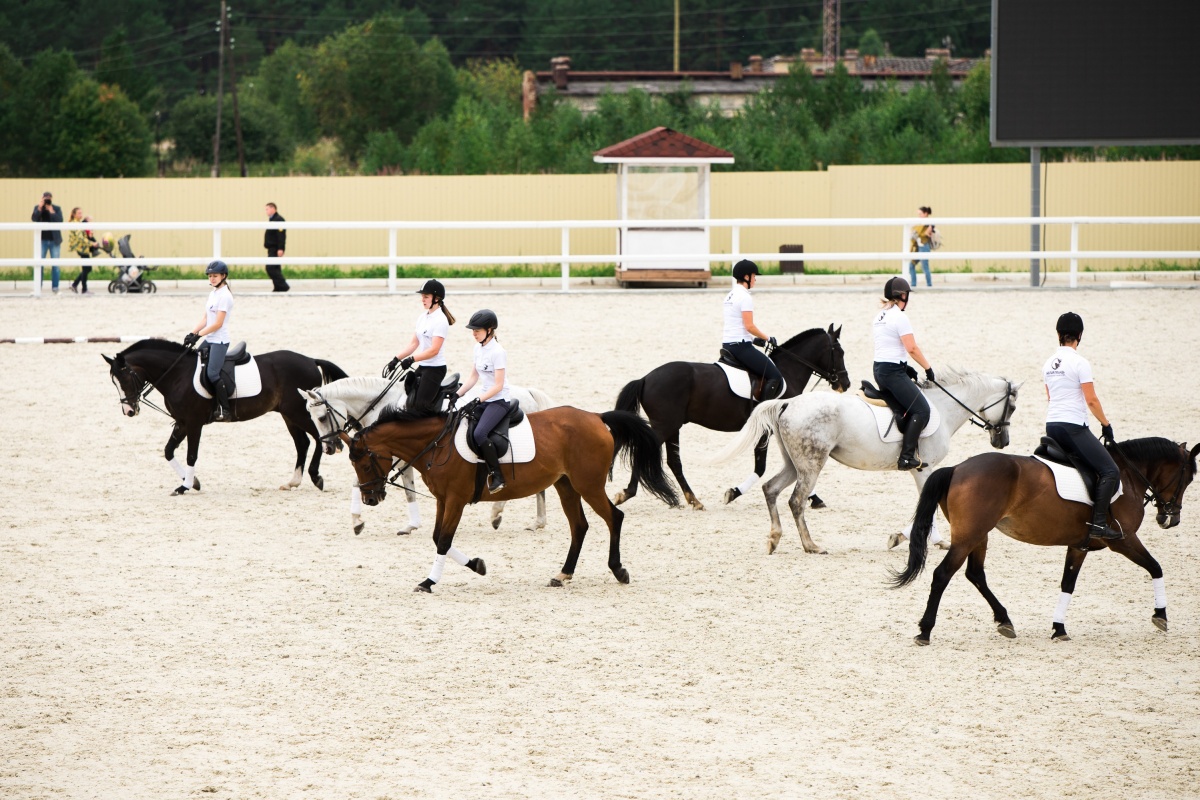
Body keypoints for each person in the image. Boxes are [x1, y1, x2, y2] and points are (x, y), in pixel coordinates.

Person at [1043, 312, 1122, 540]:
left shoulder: (1048, 364)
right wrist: (1105, 424)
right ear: (1079, 335)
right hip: (1073, 427)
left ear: (1058, 334)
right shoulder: (1080, 362)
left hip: (1052, 426)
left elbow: (1050, 397)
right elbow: (1091, 400)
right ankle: (1098, 524)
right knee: (1110, 471)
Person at [872, 276, 936, 471]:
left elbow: (888, 346)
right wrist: (928, 368)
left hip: (880, 369)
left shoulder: (880, 316)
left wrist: (905, 367)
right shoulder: (900, 316)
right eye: (907, 294)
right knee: (922, 410)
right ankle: (906, 457)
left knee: (905, 408)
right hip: (892, 373)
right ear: (902, 295)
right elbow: (912, 348)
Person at [456, 309, 510, 494]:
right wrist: (458, 394)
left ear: (489, 330)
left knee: (480, 434)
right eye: (472, 330)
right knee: (460, 420)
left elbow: (498, 385)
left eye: (477, 330)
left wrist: (478, 399)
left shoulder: (498, 352)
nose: (473, 333)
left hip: (499, 401)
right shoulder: (477, 348)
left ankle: (497, 475)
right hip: (485, 398)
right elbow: (473, 377)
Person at [385, 279, 455, 412]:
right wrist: (396, 359)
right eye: (422, 296)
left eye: (426, 297)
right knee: (404, 398)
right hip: (423, 367)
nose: (422, 299)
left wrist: (412, 359)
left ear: (436, 298)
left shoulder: (440, 320)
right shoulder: (423, 317)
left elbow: (434, 350)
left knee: (419, 408)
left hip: (435, 370)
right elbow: (413, 343)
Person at [721, 259, 783, 401]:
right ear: (747, 277)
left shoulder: (729, 295)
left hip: (728, 344)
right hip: (741, 348)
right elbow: (749, 326)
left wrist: (754, 339)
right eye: (754, 276)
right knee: (775, 376)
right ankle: (762, 413)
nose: (755, 279)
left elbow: (736, 325)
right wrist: (768, 338)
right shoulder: (745, 297)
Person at [183, 261, 235, 422]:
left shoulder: (225, 296)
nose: (212, 279)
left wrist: (199, 336)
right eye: (210, 276)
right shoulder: (213, 293)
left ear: (223, 276)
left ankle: (225, 409)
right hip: (210, 338)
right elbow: (206, 318)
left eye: (215, 276)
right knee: (194, 362)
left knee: (212, 373)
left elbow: (218, 323)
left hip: (219, 341)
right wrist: (192, 333)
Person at [32, 191, 63, 293]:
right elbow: (34, 218)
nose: (47, 200)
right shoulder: (38, 208)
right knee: (39, 264)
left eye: (49, 198)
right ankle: (38, 286)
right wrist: (40, 207)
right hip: (42, 240)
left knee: (55, 265)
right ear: (42, 198)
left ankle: (55, 287)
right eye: (45, 198)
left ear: (52, 198)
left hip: (54, 240)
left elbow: (60, 221)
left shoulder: (56, 208)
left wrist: (51, 210)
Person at [67, 208, 98, 294]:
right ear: (74, 214)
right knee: (87, 268)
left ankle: (77, 285)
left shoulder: (78, 223)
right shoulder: (75, 224)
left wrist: (85, 220)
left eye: (81, 213)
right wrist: (92, 243)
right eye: (79, 213)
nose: (81, 215)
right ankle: (82, 288)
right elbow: (80, 237)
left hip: (83, 247)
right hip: (81, 248)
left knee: (86, 268)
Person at [264, 202, 289, 292]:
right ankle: (278, 287)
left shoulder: (279, 219)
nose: (266, 211)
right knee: (275, 268)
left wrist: (280, 248)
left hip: (275, 248)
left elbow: (281, 235)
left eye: (267, 209)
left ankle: (283, 286)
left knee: (270, 267)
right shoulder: (273, 219)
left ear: (273, 209)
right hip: (271, 248)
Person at [908, 206, 934, 288]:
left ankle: (929, 285)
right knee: (911, 265)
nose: (919, 216)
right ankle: (913, 284)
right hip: (918, 247)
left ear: (926, 213)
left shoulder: (929, 223)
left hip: (924, 246)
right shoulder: (919, 223)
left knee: (925, 266)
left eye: (920, 214)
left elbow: (928, 233)